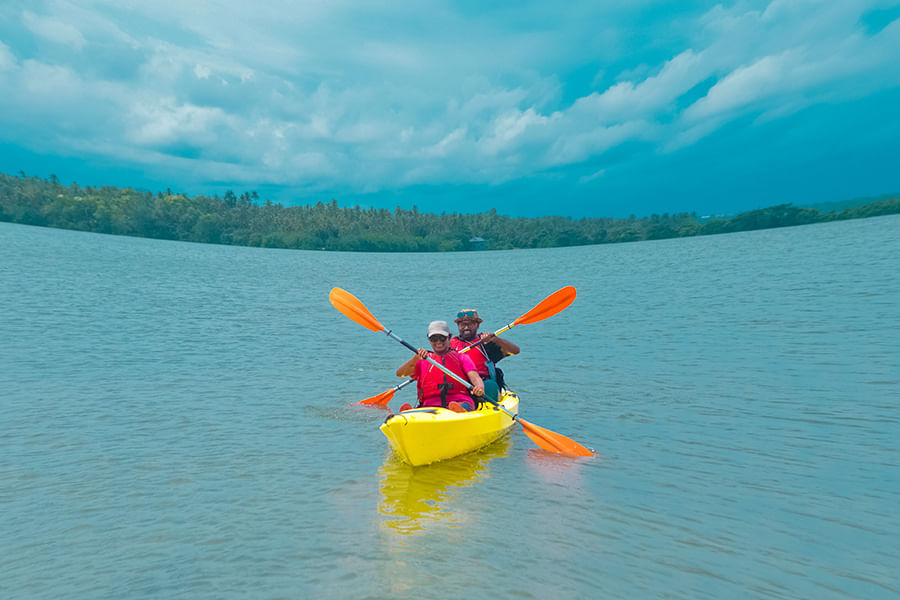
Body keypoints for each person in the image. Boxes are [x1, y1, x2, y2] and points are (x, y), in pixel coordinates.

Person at [396, 320, 484, 412]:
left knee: (461, 406)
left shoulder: (462, 357)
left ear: (449, 338)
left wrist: (479, 387)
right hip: (430, 405)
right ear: (429, 340)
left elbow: (475, 377)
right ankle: (410, 413)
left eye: (442, 338)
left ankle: (459, 411)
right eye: (434, 339)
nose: (438, 342)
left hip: (460, 401)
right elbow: (400, 373)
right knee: (422, 410)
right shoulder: (423, 360)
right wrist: (415, 358)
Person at [449, 308, 520, 404]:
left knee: (490, 385)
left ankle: (487, 407)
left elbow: (515, 351)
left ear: (477, 325)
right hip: (460, 385)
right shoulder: (450, 344)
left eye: (470, 324)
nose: (466, 327)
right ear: (458, 326)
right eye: (463, 325)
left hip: (483, 385)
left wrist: (496, 339)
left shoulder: (485, 343)